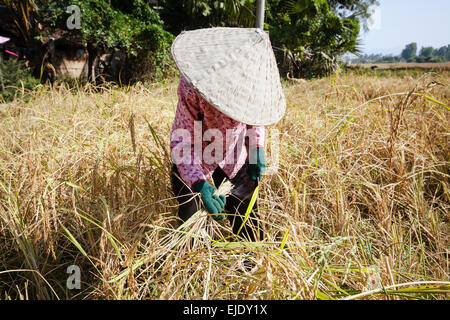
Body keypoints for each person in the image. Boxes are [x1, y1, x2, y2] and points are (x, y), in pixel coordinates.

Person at [169, 27, 286, 242]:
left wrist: (256, 147)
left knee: (248, 221)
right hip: (197, 158)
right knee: (191, 220)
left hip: (234, 155)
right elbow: (182, 140)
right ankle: (193, 266)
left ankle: (251, 265)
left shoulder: (254, 81)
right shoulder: (192, 86)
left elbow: (255, 115)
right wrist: (200, 184)